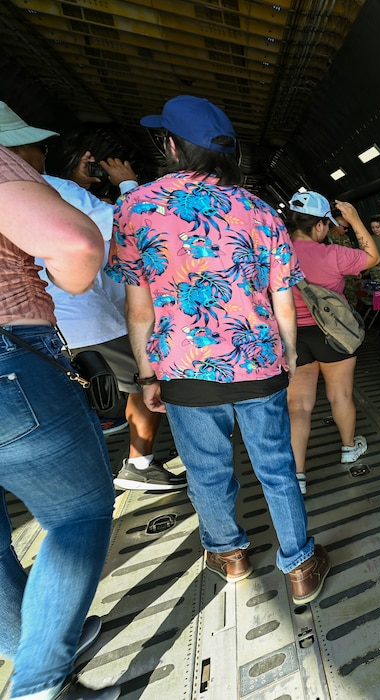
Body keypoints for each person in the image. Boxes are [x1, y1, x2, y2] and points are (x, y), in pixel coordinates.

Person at [105, 95, 330, 605]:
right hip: (259, 364)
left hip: (184, 370)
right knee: (276, 468)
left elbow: (139, 309)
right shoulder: (259, 210)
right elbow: (282, 296)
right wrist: (290, 353)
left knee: (207, 472)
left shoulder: (136, 208)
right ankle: (298, 567)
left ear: (170, 145)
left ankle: (230, 557)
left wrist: (147, 376)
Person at [0, 102, 184, 490]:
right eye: (38, 149)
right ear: (15, 152)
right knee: (148, 380)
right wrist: (128, 186)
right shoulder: (49, 187)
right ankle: (138, 464)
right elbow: (121, 224)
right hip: (86, 319)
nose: (41, 156)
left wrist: (79, 186)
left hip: (28, 331)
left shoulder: (52, 190)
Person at [0, 143, 119, 699]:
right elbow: (73, 242)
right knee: (77, 516)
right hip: (9, 364)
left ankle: (38, 644)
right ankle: (39, 684)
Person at [286, 191, 379, 494]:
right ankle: (349, 448)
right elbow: (372, 257)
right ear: (320, 227)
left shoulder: (278, 253)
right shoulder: (332, 254)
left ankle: (298, 474)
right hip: (332, 334)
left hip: (293, 338)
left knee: (298, 406)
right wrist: (353, 220)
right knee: (340, 395)